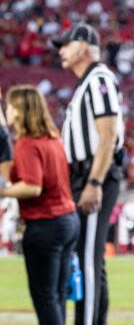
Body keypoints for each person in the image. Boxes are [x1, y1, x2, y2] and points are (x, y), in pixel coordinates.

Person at [53, 22, 126, 325]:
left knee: (86, 260)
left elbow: (108, 134)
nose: (61, 51)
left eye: (66, 45)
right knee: (90, 261)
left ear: (83, 45)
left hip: (93, 175)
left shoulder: (98, 78)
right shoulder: (87, 82)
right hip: (82, 176)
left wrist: (94, 182)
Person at [0, 85, 79, 325]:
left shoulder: (27, 143)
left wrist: (2, 190)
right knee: (56, 296)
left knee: (44, 298)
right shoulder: (52, 139)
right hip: (67, 221)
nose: (8, 108)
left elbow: (32, 187)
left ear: (21, 108)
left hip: (45, 224)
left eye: (11, 105)